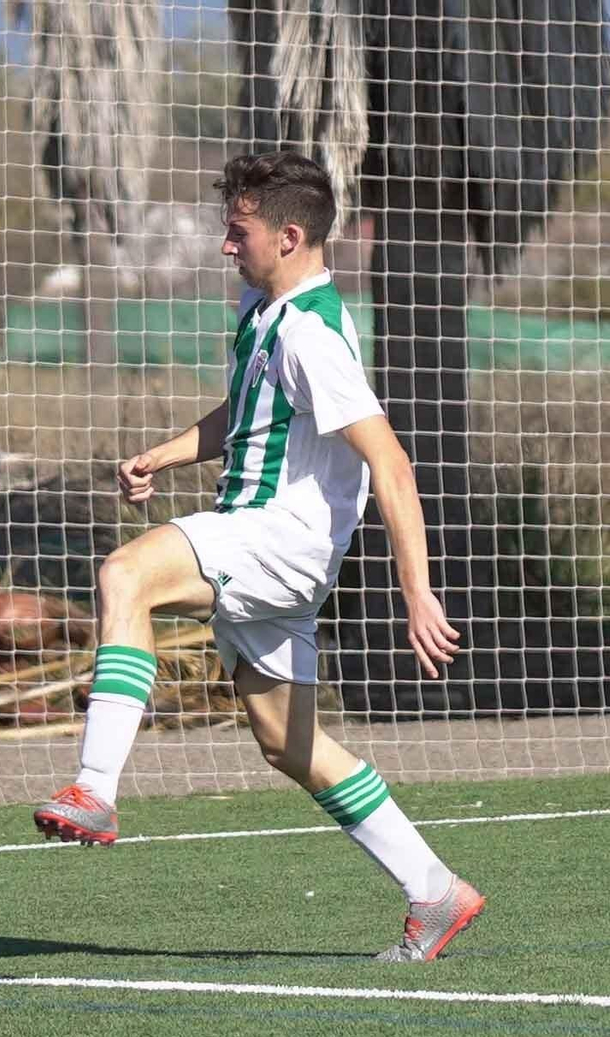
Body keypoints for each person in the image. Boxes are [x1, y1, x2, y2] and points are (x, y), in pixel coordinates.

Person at [33, 151, 483, 963]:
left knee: (123, 573)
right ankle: (434, 890)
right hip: (263, 541)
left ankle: (95, 788)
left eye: (237, 232)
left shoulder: (312, 332)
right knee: (289, 743)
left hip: (279, 539)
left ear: (290, 235)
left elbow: (390, 460)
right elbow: (246, 411)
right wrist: (165, 455)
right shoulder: (264, 312)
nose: (223, 247)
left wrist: (418, 592)